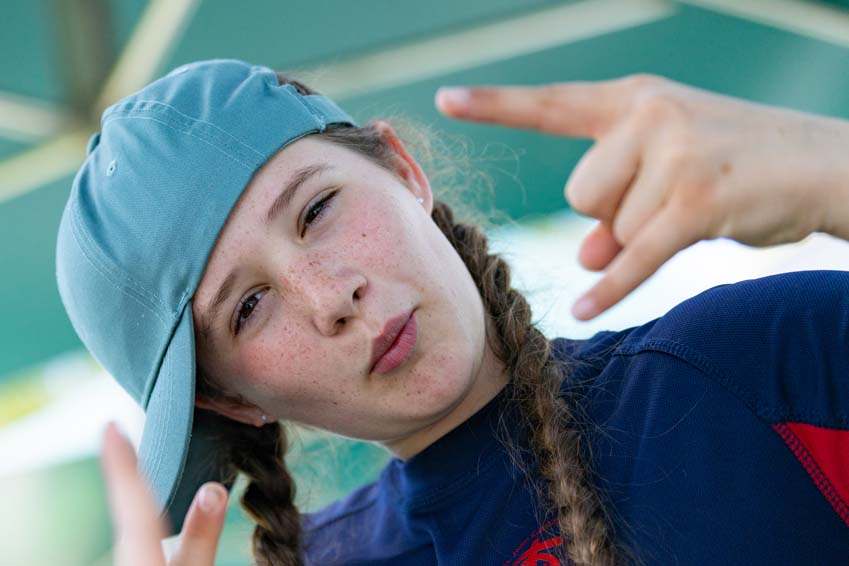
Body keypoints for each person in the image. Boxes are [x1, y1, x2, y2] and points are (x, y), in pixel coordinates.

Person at [60, 60, 849, 565]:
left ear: (403, 171)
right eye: (250, 307)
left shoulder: (762, 365)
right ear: (231, 399)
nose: (332, 297)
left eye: (318, 209)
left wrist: (832, 173)